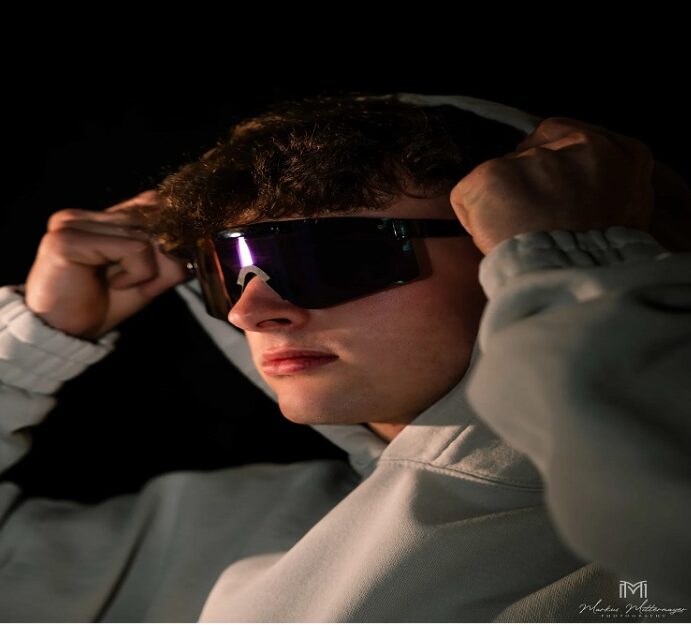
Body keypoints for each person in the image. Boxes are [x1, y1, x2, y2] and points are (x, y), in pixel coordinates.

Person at [0, 93, 689, 622]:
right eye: (229, 268)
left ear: (514, 236)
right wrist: (28, 348)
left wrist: (576, 259)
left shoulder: (627, 551)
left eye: (334, 256)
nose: (249, 310)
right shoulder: (239, 527)